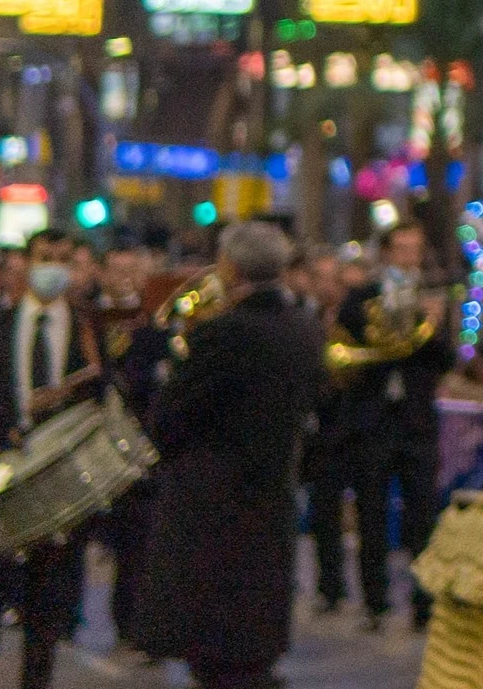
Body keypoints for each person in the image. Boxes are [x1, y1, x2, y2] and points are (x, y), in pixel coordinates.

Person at [131, 222, 322, 689]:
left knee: (218, 654)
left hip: (213, 510)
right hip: (273, 497)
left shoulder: (224, 333)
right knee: (253, 647)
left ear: (230, 267)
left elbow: (171, 419)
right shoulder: (306, 329)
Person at [0, 231, 106, 689]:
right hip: (2, 468)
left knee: (45, 604)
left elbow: (102, 394)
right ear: (27, 264)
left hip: (55, 478)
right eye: (43, 259)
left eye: (61, 259)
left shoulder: (84, 327)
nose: (52, 268)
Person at [320, 221, 455, 631]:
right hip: (373, 418)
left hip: (416, 420)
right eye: (400, 249)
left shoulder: (434, 299)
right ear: (387, 253)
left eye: (415, 249)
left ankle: (422, 606)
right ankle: (374, 604)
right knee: (372, 512)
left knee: (422, 515)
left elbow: (447, 360)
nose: (407, 257)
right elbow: (340, 350)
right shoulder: (363, 297)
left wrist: (429, 328)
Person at [87, 241, 170, 650]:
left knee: (137, 541)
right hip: (92, 438)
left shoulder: (154, 323)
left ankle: (133, 626)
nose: (125, 281)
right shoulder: (88, 318)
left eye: (132, 273)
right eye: (117, 271)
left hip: (139, 444)